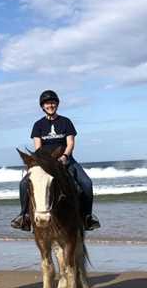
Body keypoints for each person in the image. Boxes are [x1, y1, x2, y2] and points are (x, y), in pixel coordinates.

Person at [10, 90, 100, 232]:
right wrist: (43, 163)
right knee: (23, 184)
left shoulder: (66, 122)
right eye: (47, 103)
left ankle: (87, 216)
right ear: (42, 106)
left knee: (86, 183)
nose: (50, 105)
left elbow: (70, 143)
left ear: (57, 104)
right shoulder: (38, 125)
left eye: (52, 103)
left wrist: (64, 156)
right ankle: (24, 216)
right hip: (46, 163)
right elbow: (38, 147)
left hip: (66, 160)